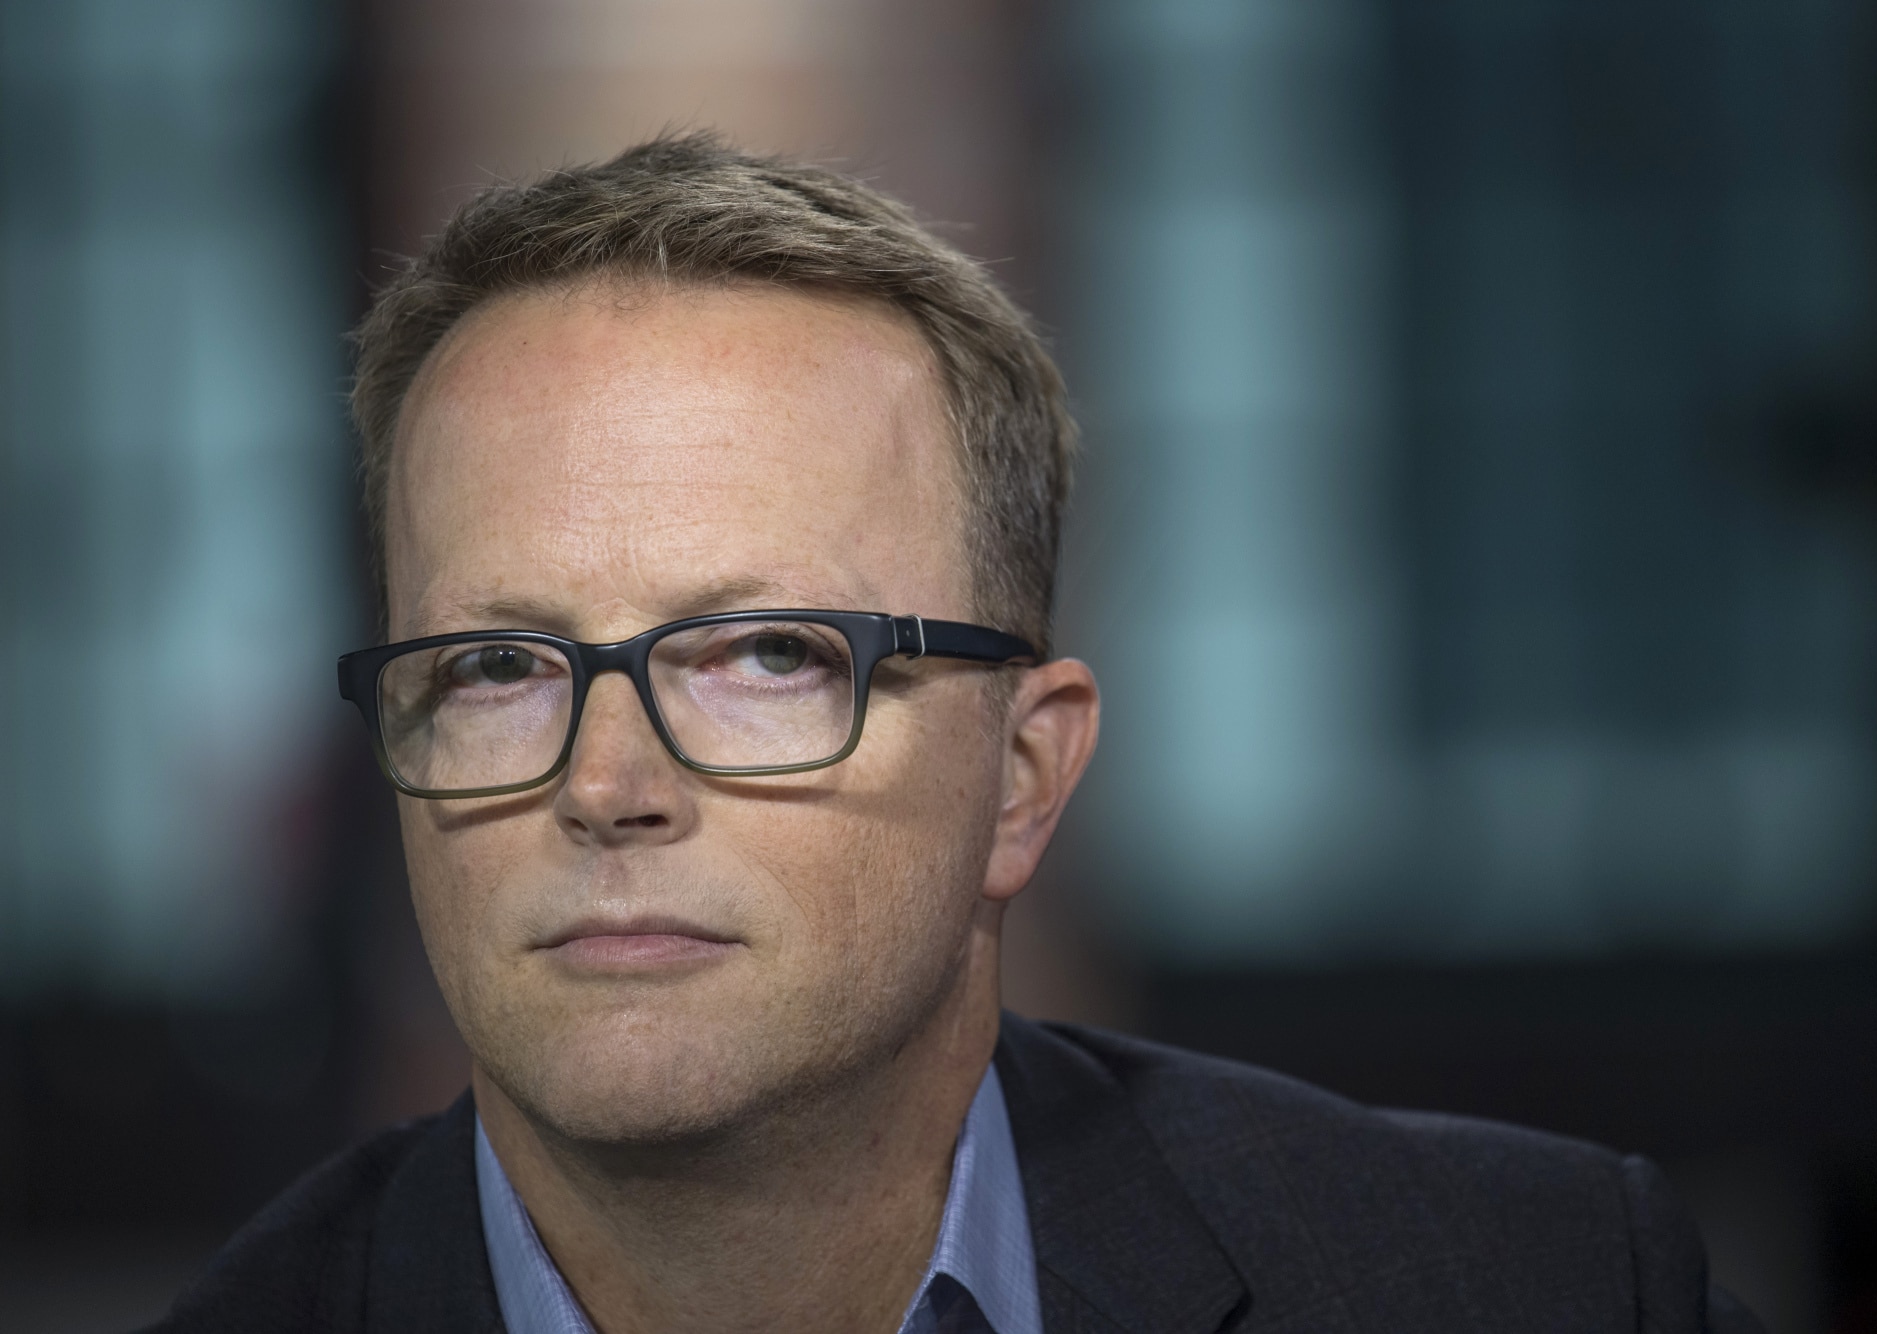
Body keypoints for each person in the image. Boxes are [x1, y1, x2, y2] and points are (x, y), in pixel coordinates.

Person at [151, 132, 1762, 1334]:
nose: (606, 785)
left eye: (768, 653)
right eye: (499, 665)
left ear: (1023, 774)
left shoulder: (1522, 1285)